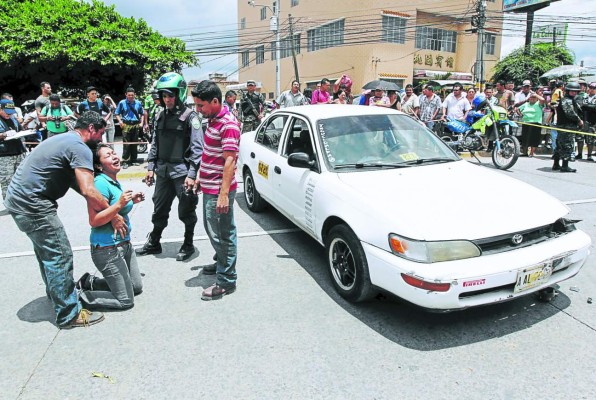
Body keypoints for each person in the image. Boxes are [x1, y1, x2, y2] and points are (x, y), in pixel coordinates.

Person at [4, 111, 118, 328]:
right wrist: (114, 214)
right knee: (59, 255)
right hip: (33, 205)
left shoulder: (64, 139)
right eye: (100, 134)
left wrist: (96, 201)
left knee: (46, 253)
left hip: (18, 201)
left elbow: (79, 186)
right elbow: (87, 188)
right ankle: (69, 314)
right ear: (91, 129)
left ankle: (57, 294)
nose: (101, 140)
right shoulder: (80, 147)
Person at [136, 72, 204, 262]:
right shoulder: (159, 116)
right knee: (159, 210)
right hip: (163, 172)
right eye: (164, 96)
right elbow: (155, 144)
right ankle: (154, 242)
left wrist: (192, 174)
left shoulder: (191, 117)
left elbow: (198, 149)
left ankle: (188, 244)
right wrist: (150, 167)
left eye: (170, 95)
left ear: (180, 93)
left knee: (186, 210)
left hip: (182, 173)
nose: (167, 99)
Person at [77, 143, 144, 309]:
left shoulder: (112, 181)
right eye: (108, 156)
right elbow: (94, 220)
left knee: (136, 287)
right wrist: (120, 204)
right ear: (99, 165)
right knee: (125, 301)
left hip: (124, 245)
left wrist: (130, 202)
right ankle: (77, 297)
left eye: (114, 153)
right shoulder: (99, 184)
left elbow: (116, 210)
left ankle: (90, 282)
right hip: (107, 249)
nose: (114, 157)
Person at [191, 80, 240, 301]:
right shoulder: (213, 119)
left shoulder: (228, 124)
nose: (197, 110)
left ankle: (226, 280)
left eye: (201, 105)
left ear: (215, 101)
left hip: (220, 189)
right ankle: (222, 262)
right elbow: (209, 153)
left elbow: (229, 161)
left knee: (223, 234)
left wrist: (223, 194)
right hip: (210, 185)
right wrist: (200, 176)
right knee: (214, 230)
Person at [553, 82, 583, 173]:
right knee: (567, 145)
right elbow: (570, 113)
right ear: (568, 91)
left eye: (576, 91)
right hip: (567, 126)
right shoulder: (566, 100)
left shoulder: (570, 99)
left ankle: (556, 164)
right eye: (572, 91)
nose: (574, 93)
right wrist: (579, 120)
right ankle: (564, 166)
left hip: (565, 126)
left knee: (560, 145)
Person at [0, 99, 27, 202]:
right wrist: (3, 135)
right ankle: (10, 203)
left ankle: (21, 201)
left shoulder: (13, 118)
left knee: (21, 179)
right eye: (7, 112)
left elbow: (20, 130)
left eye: (11, 112)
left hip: (19, 152)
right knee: (7, 181)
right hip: (5, 155)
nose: (9, 115)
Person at [114, 87, 145, 168]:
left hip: (135, 125)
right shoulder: (122, 103)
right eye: (129, 95)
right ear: (126, 95)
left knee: (135, 143)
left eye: (132, 95)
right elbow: (116, 113)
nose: (131, 97)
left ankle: (134, 160)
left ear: (134, 95)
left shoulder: (138, 103)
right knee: (126, 144)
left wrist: (142, 123)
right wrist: (120, 121)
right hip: (126, 125)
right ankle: (125, 161)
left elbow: (142, 114)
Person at [518, 93, 545, 157]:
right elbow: (518, 109)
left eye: (534, 98)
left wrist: (536, 95)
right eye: (531, 98)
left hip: (536, 123)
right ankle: (525, 152)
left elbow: (543, 100)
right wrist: (520, 114)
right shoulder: (526, 104)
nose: (532, 99)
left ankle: (531, 153)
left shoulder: (539, 104)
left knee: (534, 139)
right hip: (526, 122)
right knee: (525, 138)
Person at [577, 82, 596, 162]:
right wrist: (586, 106)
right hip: (583, 120)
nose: (591, 89)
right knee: (580, 138)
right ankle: (580, 154)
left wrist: (586, 106)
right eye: (590, 88)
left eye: (593, 88)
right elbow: (581, 107)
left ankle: (589, 155)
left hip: (592, 121)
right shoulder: (585, 97)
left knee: (590, 139)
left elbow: (594, 107)